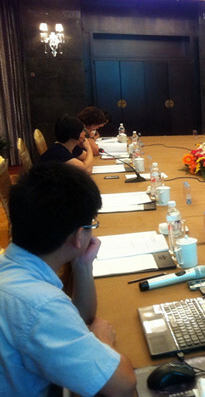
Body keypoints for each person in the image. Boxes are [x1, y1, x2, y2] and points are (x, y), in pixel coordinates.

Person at [0, 163, 136, 396]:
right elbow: (123, 385)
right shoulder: (41, 306)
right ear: (79, 235)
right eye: (91, 225)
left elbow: (80, 319)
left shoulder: (12, 266)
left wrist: (83, 265)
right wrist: (103, 341)